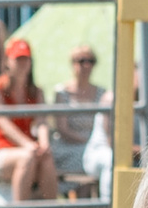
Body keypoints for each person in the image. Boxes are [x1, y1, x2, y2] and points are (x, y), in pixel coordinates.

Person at [0, 37, 61, 204]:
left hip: (28, 149)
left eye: (26, 58)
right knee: (27, 157)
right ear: (7, 61)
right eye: (18, 59)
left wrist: (44, 144)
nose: (22, 63)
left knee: (46, 158)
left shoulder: (35, 91)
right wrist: (28, 144)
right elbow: (3, 122)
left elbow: (41, 121)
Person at [47, 46, 111, 196]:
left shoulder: (102, 93)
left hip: (94, 145)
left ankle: (94, 202)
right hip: (68, 146)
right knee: (90, 156)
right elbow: (62, 129)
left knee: (103, 156)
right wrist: (88, 142)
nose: (86, 65)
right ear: (73, 64)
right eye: (81, 61)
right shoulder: (62, 92)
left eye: (91, 61)